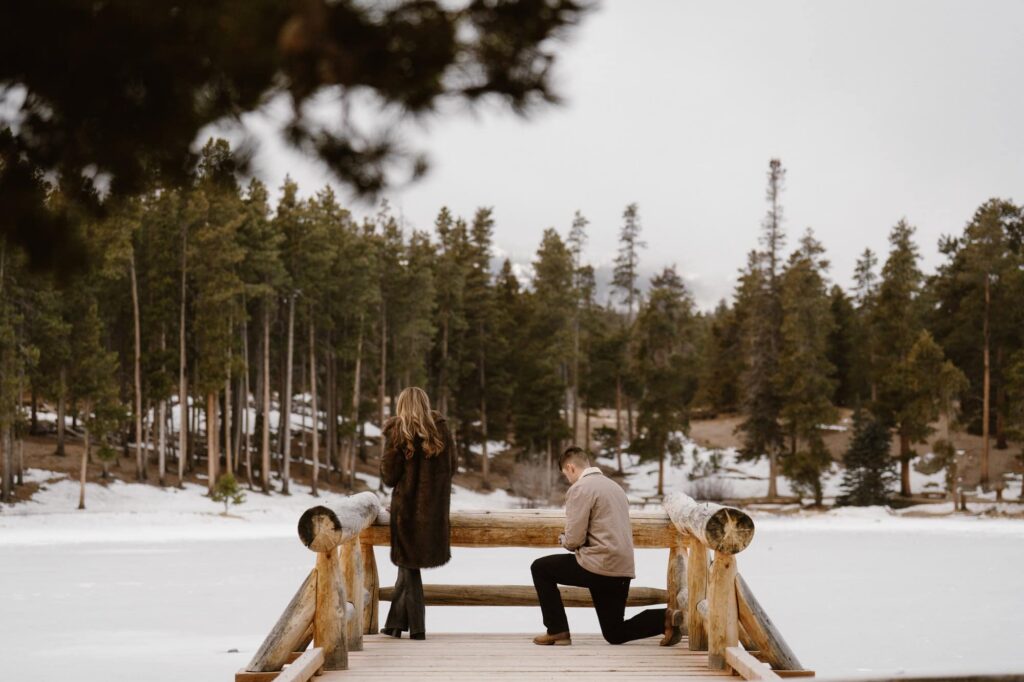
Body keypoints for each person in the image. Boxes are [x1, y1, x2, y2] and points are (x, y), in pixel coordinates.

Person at [530, 447, 683, 646]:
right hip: (622, 568)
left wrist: (563, 539)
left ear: (570, 467)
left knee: (540, 568)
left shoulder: (580, 488)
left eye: (566, 475)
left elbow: (574, 539)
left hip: (597, 566)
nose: (569, 480)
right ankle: (665, 618)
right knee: (614, 633)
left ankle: (557, 630)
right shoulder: (615, 487)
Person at [379, 387, 455, 640]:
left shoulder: (398, 432)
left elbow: (389, 477)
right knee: (406, 564)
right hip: (434, 512)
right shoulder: (441, 431)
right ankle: (393, 625)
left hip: (407, 511)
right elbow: (452, 467)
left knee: (408, 565)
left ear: (401, 406)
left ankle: (418, 628)